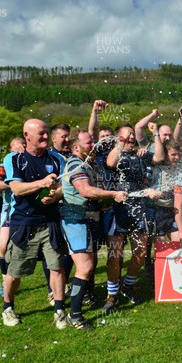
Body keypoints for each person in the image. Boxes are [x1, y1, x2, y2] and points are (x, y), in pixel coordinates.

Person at [1, 119, 67, 329]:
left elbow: (64, 187)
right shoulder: (14, 159)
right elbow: (17, 189)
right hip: (24, 223)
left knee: (57, 268)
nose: (46, 137)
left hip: (50, 222)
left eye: (48, 133)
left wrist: (55, 196)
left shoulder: (57, 159)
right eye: (41, 134)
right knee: (15, 271)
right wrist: (42, 183)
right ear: (27, 136)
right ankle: (8, 307)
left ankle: (59, 310)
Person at [61, 129, 127, 330]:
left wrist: (102, 203)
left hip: (90, 220)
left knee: (90, 265)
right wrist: (112, 194)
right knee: (85, 267)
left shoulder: (90, 164)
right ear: (76, 147)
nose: (94, 145)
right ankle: (75, 315)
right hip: (76, 221)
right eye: (89, 143)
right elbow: (85, 190)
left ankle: (81, 303)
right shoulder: (75, 164)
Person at [103, 123, 164, 312]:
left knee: (140, 253)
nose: (130, 140)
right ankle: (111, 295)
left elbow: (160, 157)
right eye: (125, 138)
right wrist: (120, 142)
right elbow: (110, 164)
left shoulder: (140, 155)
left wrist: (155, 133)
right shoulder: (115, 154)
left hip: (139, 208)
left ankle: (128, 287)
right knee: (115, 255)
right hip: (118, 209)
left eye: (132, 138)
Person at [0, 138, 26, 296]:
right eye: (16, 146)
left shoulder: (32, 162)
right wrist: (13, 182)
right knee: (3, 247)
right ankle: (5, 281)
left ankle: (54, 288)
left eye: (23, 145)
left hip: (30, 212)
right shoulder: (5, 165)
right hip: (9, 211)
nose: (20, 148)